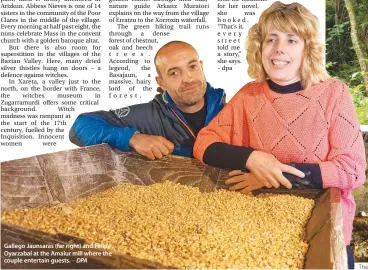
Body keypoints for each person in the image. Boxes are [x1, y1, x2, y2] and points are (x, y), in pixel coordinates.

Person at [193, 2, 366, 268]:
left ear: (307, 49)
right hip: (255, 230)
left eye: (291, 40)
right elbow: (203, 144)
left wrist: (271, 177)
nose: (279, 49)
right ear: (260, 47)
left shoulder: (334, 93)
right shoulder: (248, 96)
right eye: (271, 39)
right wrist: (252, 158)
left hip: (322, 227)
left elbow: (352, 171)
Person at [69, 41, 225, 160]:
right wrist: (133, 138)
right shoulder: (149, 116)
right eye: (174, 73)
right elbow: (80, 127)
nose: (188, 79)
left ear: (201, 66)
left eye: (192, 67)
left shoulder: (230, 109)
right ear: (161, 82)